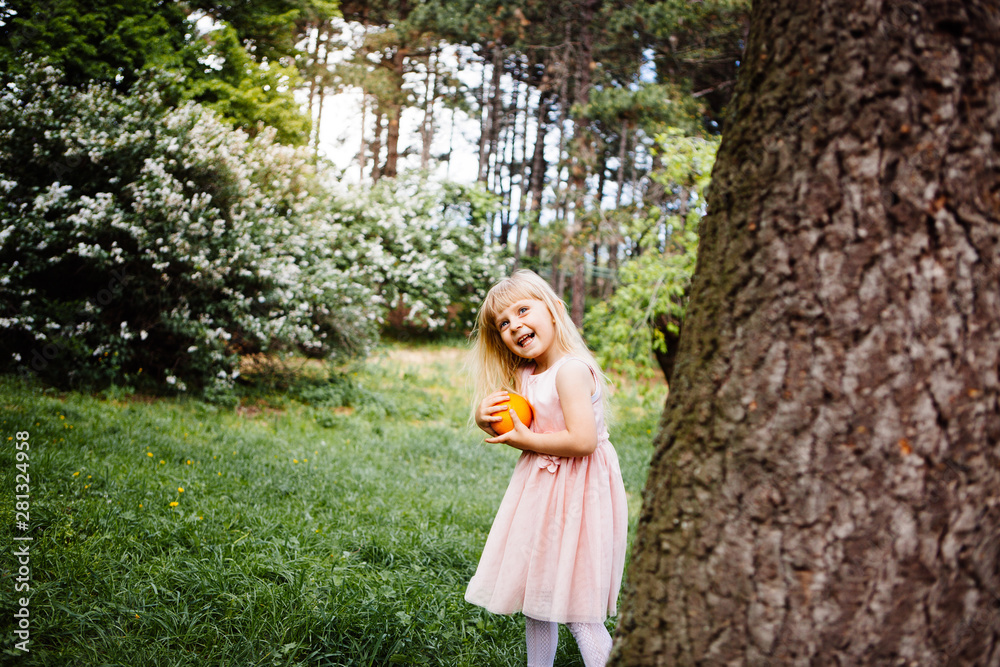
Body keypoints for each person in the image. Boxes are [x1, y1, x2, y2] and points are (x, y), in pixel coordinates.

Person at [465, 269, 628, 667]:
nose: (515, 325)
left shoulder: (571, 370)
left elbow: (582, 441)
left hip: (580, 497)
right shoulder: (525, 375)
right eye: (503, 323)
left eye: (523, 310)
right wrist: (485, 418)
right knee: (537, 599)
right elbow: (521, 420)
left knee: (577, 609)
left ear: (553, 310)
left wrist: (527, 441)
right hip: (542, 497)